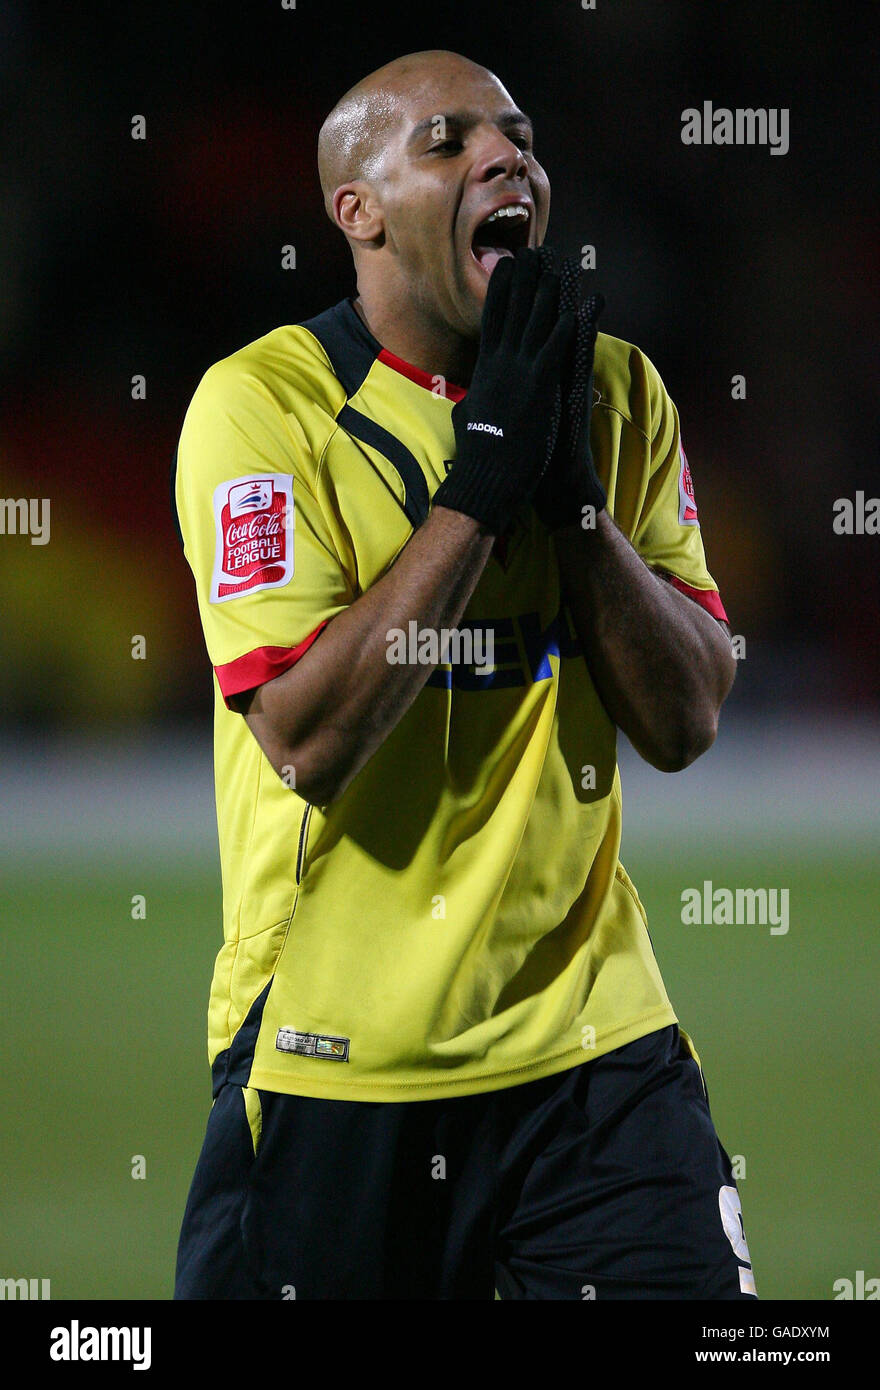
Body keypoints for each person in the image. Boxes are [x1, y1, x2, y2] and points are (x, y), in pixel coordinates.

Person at [172, 48, 755, 1300]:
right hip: (339, 1055)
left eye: (519, 138)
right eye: (446, 141)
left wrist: (573, 502)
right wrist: (485, 478)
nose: (507, 159)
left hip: (594, 1052)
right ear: (357, 209)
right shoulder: (262, 410)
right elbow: (306, 739)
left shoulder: (613, 391)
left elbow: (687, 714)